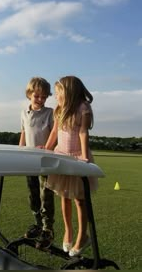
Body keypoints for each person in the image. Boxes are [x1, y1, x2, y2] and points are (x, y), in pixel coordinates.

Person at [44, 76, 98, 257]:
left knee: (80, 200)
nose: (56, 96)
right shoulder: (59, 110)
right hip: (61, 156)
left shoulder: (83, 108)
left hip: (76, 157)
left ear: (69, 92)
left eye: (59, 92)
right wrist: (45, 149)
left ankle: (83, 236)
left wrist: (84, 156)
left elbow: (83, 132)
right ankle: (68, 231)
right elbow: (54, 131)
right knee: (64, 196)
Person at [19, 76, 55, 249]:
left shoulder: (50, 113)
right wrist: (19, 150)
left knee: (45, 195)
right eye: (37, 96)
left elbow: (55, 136)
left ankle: (48, 229)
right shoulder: (23, 113)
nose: (40, 100)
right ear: (29, 95)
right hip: (28, 160)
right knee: (32, 194)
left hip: (46, 160)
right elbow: (24, 133)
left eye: (44, 97)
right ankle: (37, 224)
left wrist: (48, 147)